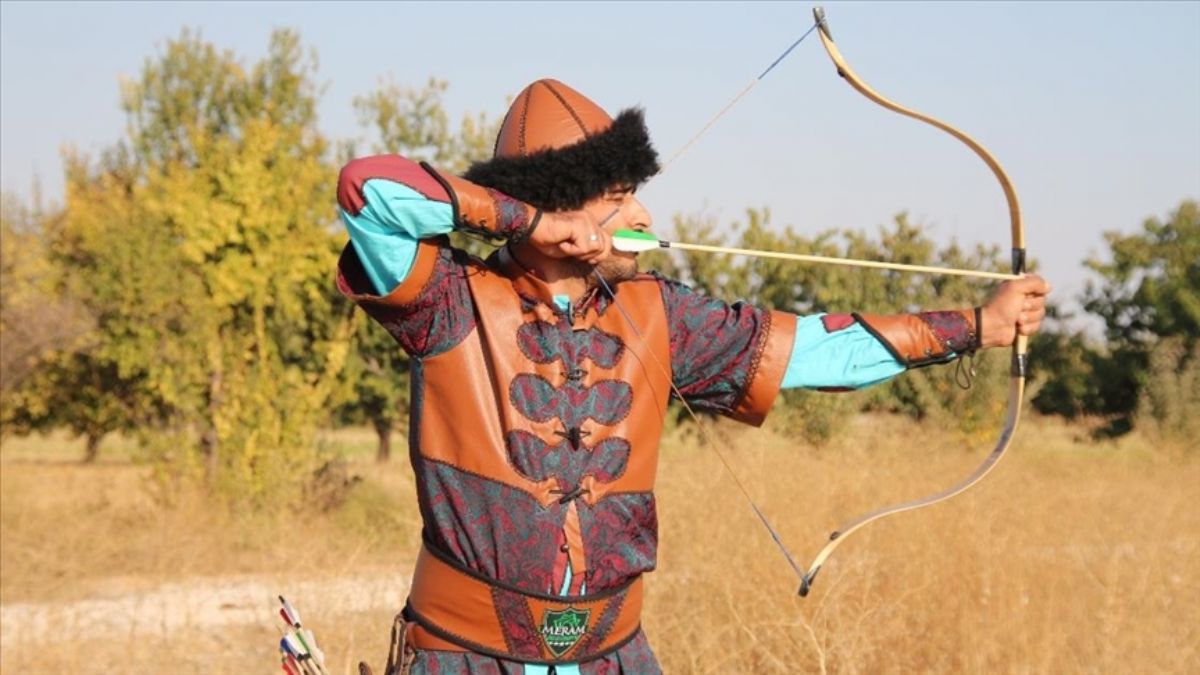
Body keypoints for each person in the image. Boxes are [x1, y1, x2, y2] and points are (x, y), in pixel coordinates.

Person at [336, 79, 1050, 675]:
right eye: (616, 195)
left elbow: (811, 351)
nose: (642, 214)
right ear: (560, 203)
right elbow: (366, 188)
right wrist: (522, 219)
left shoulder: (661, 316)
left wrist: (977, 327)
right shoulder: (446, 298)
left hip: (615, 655)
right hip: (463, 656)